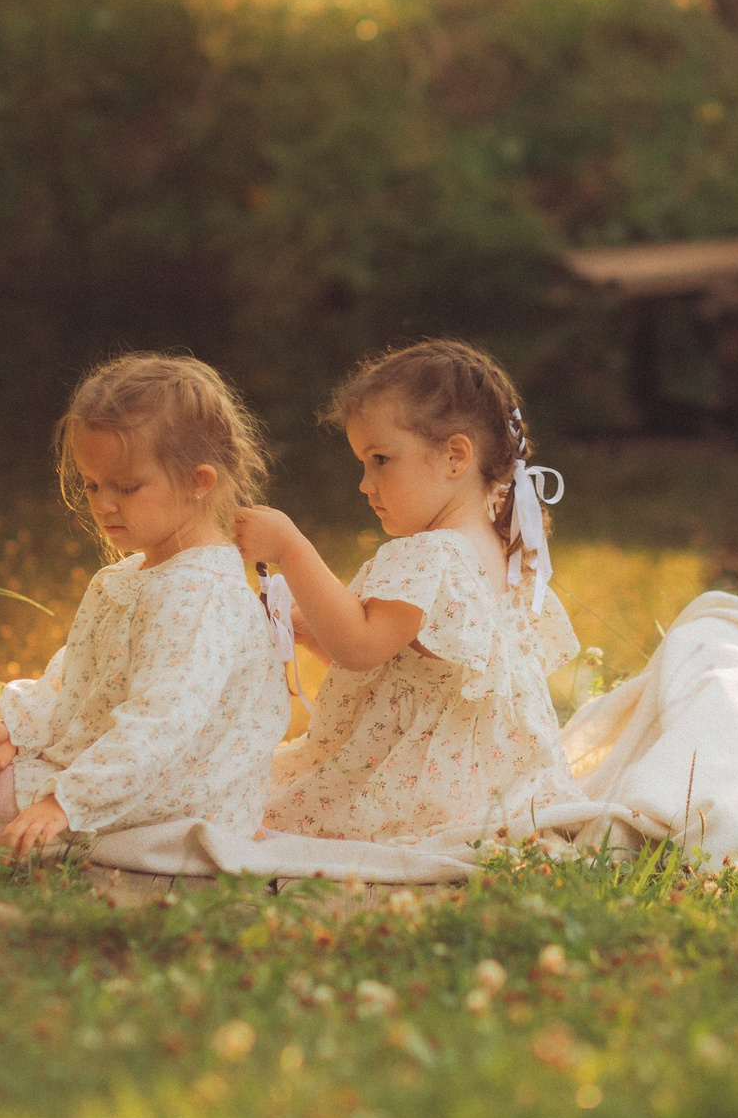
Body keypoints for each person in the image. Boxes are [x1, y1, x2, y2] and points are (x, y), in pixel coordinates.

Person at [0, 354, 290, 855]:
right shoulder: (124, 578)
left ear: (199, 482)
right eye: (93, 484)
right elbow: (73, 680)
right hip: (117, 766)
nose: (103, 504)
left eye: (127, 486)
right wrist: (13, 728)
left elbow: (162, 725)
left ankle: (70, 826)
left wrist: (65, 801)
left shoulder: (201, 595)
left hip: (177, 791)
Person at [235, 338, 584, 846]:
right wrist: (314, 634)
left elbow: (359, 647)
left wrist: (291, 548)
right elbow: (416, 669)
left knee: (256, 804)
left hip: (423, 788)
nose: (365, 483)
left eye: (380, 460)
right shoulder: (503, 546)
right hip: (494, 781)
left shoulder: (430, 555)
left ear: (454, 456)